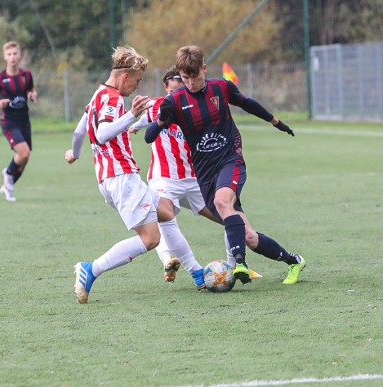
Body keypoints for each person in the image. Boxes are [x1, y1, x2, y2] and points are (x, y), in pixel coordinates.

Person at [144, 45, 305, 285]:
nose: (191, 83)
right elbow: (149, 136)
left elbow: (247, 103)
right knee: (248, 235)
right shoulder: (175, 101)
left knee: (222, 202)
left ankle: (239, 263)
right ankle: (294, 261)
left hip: (231, 159)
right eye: (185, 78)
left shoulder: (221, 88)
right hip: (204, 173)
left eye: (195, 76)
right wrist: (160, 120)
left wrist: (275, 121)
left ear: (204, 69)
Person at [64, 46, 205, 304]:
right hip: (121, 177)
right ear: (125, 76)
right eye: (138, 80)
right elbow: (105, 132)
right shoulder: (113, 98)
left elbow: (78, 132)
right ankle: (90, 269)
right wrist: (132, 114)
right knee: (151, 239)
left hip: (112, 178)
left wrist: (74, 153)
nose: (137, 87)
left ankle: (197, 272)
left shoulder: (97, 94)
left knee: (167, 211)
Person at [129, 66, 262, 283]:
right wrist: (133, 126)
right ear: (165, 88)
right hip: (165, 179)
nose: (177, 95)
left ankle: (234, 266)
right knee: (162, 218)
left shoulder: (194, 106)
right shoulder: (157, 107)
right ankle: (175, 263)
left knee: (229, 216)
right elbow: (141, 121)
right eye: (172, 91)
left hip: (195, 179)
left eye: (181, 89)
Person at [0, 41, 37, 202]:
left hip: (24, 121)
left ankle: (8, 186)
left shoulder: (26, 75)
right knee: (24, 152)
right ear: (5, 57)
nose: (12, 57)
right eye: (9, 54)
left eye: (15, 54)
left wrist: (32, 95)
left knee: (25, 159)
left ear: (19, 56)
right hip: (9, 122)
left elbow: (30, 89)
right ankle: (7, 173)